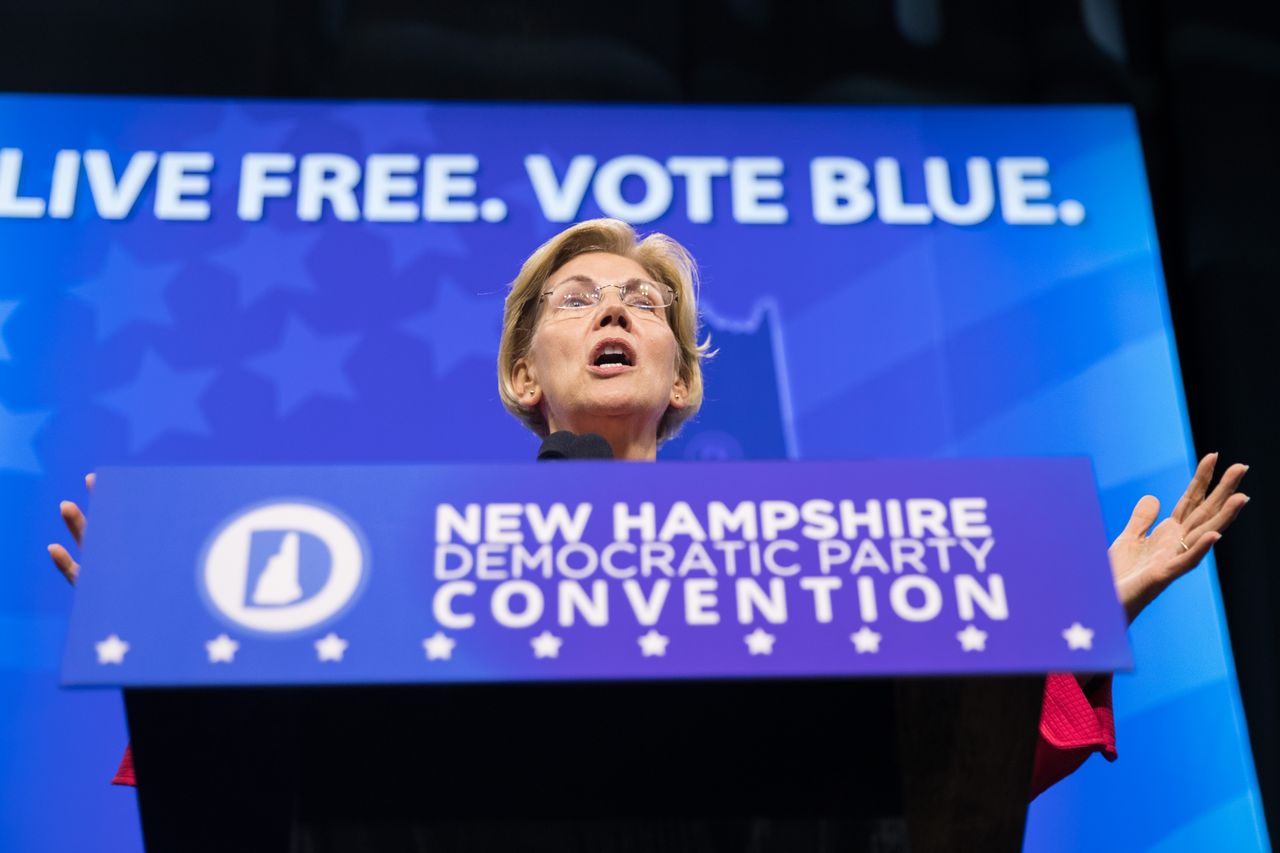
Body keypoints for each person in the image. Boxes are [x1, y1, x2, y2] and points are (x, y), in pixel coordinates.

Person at [50, 218, 1250, 800]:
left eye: (643, 304)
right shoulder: (416, 561)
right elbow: (267, 783)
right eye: (576, 300)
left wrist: (1068, 611)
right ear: (525, 375)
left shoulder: (784, 568)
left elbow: (927, 781)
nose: (615, 313)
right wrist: (167, 625)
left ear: (680, 380)